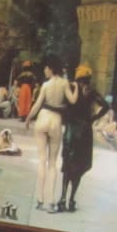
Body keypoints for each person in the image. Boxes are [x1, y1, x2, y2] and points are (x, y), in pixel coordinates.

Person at [26, 56, 77, 213]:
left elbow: (37, 105)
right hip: (55, 121)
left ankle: (39, 199)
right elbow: (73, 101)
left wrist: (28, 118)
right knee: (53, 163)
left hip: (43, 118)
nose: (44, 70)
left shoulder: (45, 85)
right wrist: (76, 88)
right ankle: (50, 202)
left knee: (42, 160)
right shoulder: (64, 83)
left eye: (46, 68)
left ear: (51, 68)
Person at [57, 63, 110, 212]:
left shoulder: (71, 88)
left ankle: (62, 198)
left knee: (67, 165)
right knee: (79, 166)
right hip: (85, 130)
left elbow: (63, 106)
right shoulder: (91, 91)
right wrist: (93, 119)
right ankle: (71, 200)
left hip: (71, 130)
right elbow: (106, 106)